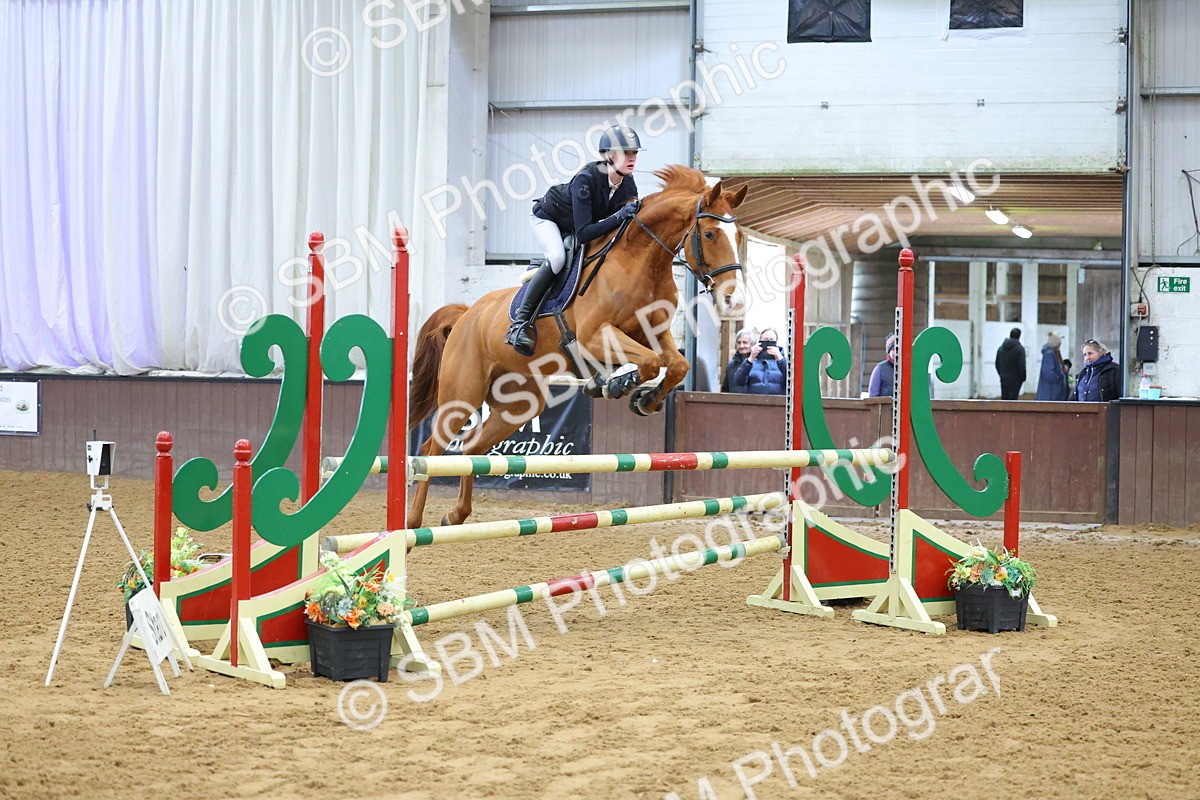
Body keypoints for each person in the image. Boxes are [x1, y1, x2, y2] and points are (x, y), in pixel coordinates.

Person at [505, 126, 643, 355]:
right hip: (548, 219)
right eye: (625, 152)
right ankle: (520, 324)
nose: (632, 158)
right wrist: (619, 215)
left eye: (634, 153)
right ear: (609, 155)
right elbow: (584, 234)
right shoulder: (586, 179)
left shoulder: (627, 182)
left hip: (576, 224)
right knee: (558, 257)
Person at [733, 328, 787, 395]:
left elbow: (791, 380)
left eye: (771, 340)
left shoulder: (782, 361)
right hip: (755, 402)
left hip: (777, 402)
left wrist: (779, 358)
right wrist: (751, 357)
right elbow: (738, 381)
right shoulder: (752, 361)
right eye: (765, 340)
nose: (768, 342)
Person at [994, 327, 1026, 400]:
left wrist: (1002, 374)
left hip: (1004, 378)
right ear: (1019, 336)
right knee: (1013, 402)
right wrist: (1023, 378)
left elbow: (997, 364)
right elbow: (1022, 366)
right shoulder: (1020, 349)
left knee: (1004, 401)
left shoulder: (1001, 348)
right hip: (1015, 380)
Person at [1035, 332, 1069, 400]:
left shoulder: (1054, 353)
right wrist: (1059, 378)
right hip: (1051, 394)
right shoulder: (1050, 354)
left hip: (1053, 393)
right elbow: (1049, 374)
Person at [722, 328, 757, 393]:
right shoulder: (731, 364)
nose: (741, 346)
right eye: (739, 343)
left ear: (752, 344)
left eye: (745, 342)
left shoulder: (759, 363)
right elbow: (725, 388)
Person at [867, 334, 897, 398]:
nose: (897, 352)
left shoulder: (910, 368)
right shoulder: (879, 369)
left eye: (899, 349)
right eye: (893, 349)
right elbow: (873, 396)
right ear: (889, 352)